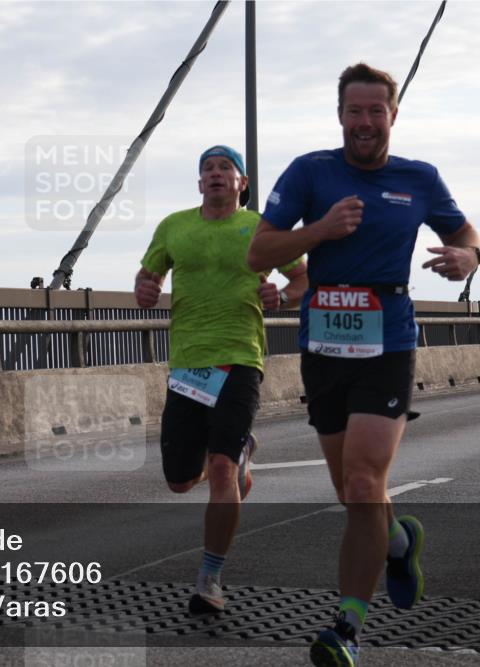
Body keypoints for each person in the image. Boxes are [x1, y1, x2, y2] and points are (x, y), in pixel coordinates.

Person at [247, 63, 480, 666]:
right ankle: (399, 541)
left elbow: (466, 234)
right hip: (324, 343)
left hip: (389, 339)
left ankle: (347, 628)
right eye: (355, 111)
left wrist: (467, 257)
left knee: (361, 480)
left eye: (377, 110)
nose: (365, 122)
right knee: (354, 497)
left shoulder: (419, 178)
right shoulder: (311, 171)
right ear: (340, 116)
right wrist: (320, 230)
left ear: (393, 115)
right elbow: (259, 251)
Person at [135, 145, 308, 614]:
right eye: (207, 169)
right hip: (188, 363)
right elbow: (146, 278)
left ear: (242, 183)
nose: (215, 175)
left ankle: (210, 579)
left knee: (221, 472)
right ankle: (244, 451)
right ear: (199, 184)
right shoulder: (174, 225)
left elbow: (302, 280)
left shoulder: (260, 228)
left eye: (225, 168)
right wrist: (145, 288)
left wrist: (283, 297)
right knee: (178, 480)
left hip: (240, 358)